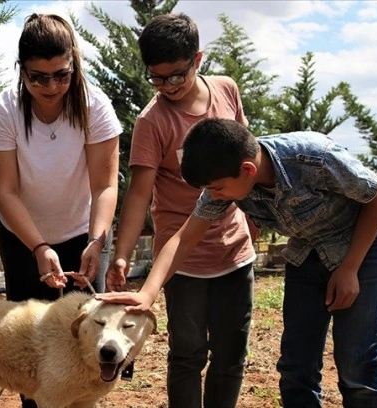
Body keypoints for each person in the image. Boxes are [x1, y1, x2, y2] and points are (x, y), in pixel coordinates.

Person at [101, 117, 377, 407]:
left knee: (358, 366)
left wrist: (350, 268)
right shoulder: (227, 178)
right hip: (307, 249)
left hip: (363, 243)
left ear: (248, 170)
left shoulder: (315, 158)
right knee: (296, 368)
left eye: (216, 189)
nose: (213, 196)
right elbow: (183, 239)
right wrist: (147, 293)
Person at [105, 13, 256, 408]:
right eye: (157, 78)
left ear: (198, 59)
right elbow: (139, 194)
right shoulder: (152, 121)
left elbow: (247, 157)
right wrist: (122, 254)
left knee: (231, 355)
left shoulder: (226, 90)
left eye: (177, 75)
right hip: (180, 258)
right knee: (188, 354)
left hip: (234, 250)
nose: (167, 86)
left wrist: (254, 220)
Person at [0, 13, 122, 407]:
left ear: (73, 64)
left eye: (61, 75)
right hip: (23, 238)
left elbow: (105, 185)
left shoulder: (96, 107)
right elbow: (5, 191)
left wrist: (97, 239)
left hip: (84, 232)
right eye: (37, 77)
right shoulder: (3, 111)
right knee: (31, 342)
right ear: (21, 70)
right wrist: (40, 247)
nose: (50, 86)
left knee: (89, 333)